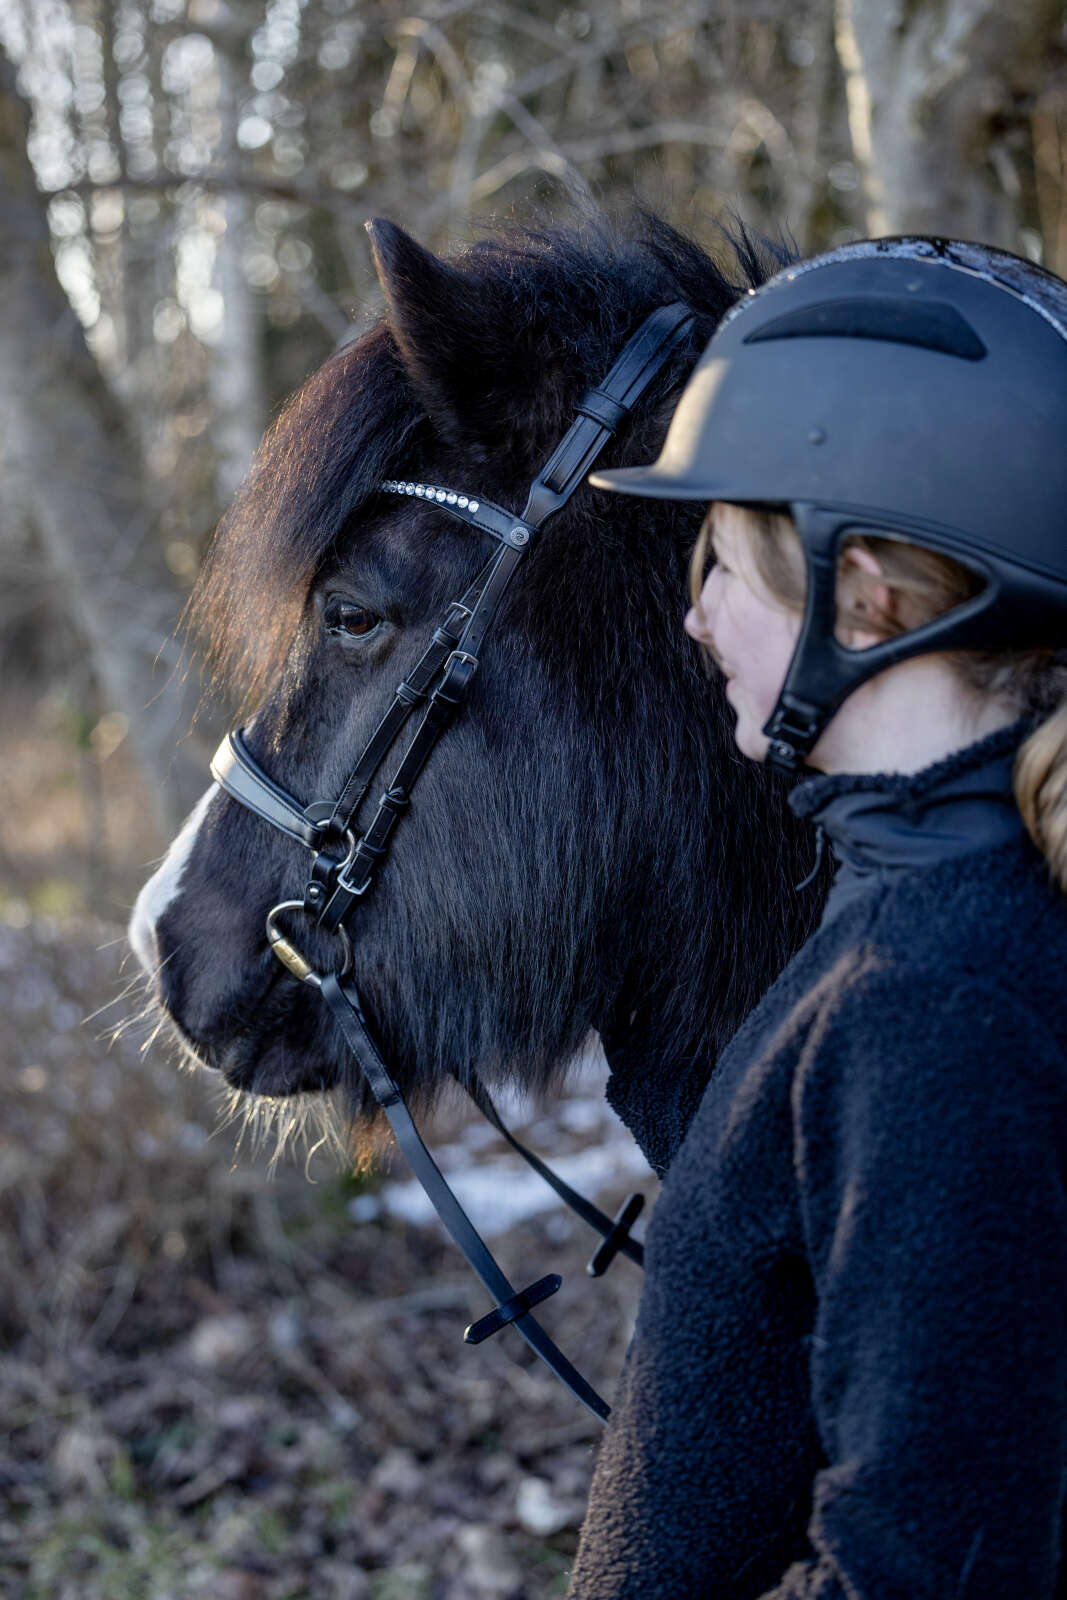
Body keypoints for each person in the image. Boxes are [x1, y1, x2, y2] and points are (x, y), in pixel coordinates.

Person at [565, 238, 1067, 1598]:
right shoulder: (928, 913)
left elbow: (936, 1567)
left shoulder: (939, 997)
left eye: (721, 562)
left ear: (866, 597)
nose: (696, 617)